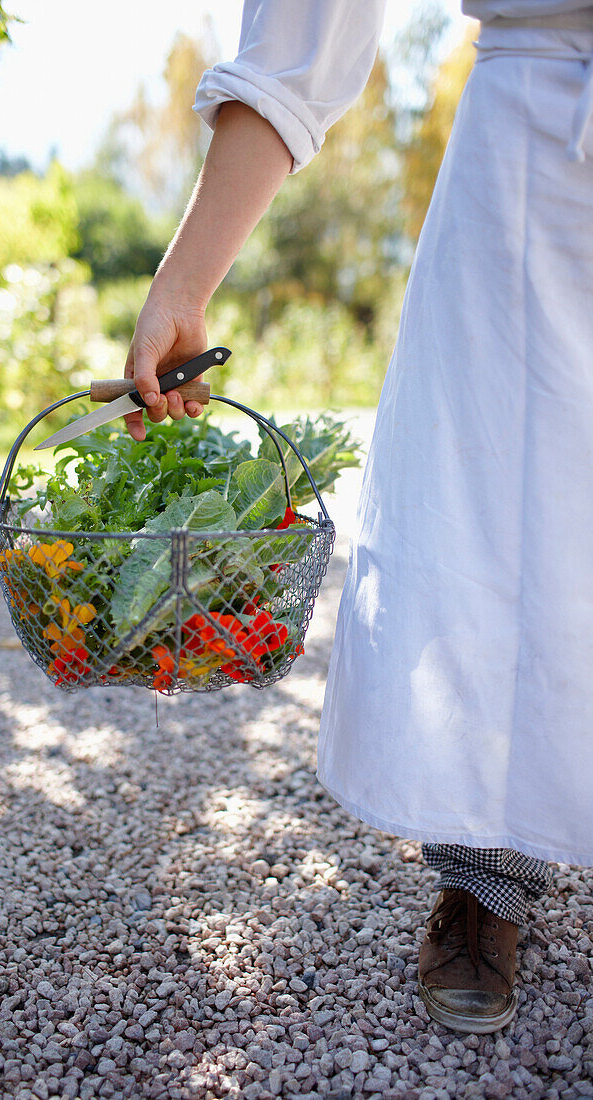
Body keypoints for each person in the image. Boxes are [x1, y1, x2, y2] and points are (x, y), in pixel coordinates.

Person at [123, 1, 593, 1033]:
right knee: (496, 530)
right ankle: (489, 869)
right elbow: (307, 23)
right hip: (532, 157)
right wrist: (185, 276)